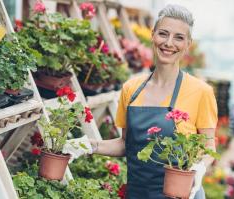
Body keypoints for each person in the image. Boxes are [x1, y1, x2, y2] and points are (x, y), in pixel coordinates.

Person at [63, 4, 218, 199]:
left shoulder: (201, 92)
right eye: (163, 34)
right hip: (138, 193)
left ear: (188, 44)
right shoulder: (132, 89)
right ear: (153, 35)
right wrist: (88, 145)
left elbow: (209, 148)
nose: (169, 43)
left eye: (179, 37)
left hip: (183, 194)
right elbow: (125, 145)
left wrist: (199, 168)